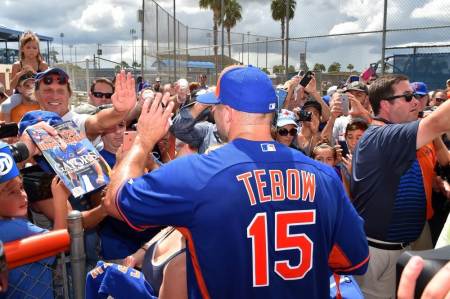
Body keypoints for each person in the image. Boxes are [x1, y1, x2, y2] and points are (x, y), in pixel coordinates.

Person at [104, 65, 369, 298]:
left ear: (228, 113)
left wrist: (142, 141)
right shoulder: (322, 176)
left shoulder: (200, 173)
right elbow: (355, 258)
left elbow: (116, 200)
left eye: (216, 107)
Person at [351, 74, 450, 298]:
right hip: (379, 254)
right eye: (407, 97)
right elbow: (440, 122)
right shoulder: (383, 137)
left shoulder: (386, 134)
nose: (415, 101)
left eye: (414, 95)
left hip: (399, 249)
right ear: (385, 105)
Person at [33, 67, 136, 143]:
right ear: (37, 94)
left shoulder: (78, 122)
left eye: (60, 91)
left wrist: (119, 111)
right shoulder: (28, 123)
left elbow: (98, 122)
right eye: (48, 91)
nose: (55, 96)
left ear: (69, 94)